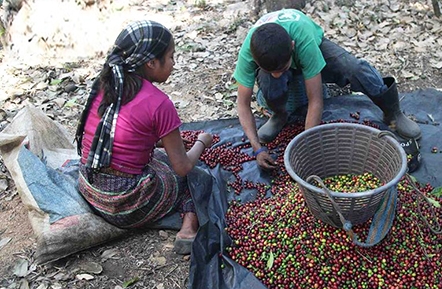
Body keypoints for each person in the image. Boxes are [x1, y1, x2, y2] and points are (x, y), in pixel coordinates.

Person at [74, 20, 213, 255]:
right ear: (151, 63)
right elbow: (183, 167)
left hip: (90, 187)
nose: (174, 62)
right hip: (124, 203)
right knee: (198, 177)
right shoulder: (159, 104)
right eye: (170, 57)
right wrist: (202, 141)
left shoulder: (106, 84)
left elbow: (117, 135)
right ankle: (188, 227)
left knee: (159, 156)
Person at [233, 9, 421, 170]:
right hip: (278, 54)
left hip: (310, 45)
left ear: (292, 47)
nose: (276, 75)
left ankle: (393, 112)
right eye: (269, 70)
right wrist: (257, 148)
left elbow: (315, 100)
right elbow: (242, 105)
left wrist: (305, 146)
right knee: (269, 83)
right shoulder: (249, 52)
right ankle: (280, 115)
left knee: (354, 68)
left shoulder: (303, 41)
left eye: (281, 70)